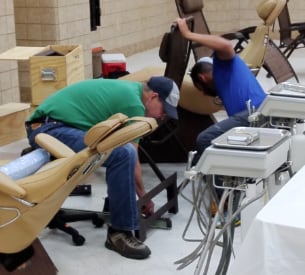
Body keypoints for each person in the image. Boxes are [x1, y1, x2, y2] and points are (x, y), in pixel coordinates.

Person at [25, 76, 180, 260]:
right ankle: (119, 233)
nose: (162, 117)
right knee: (123, 154)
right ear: (153, 97)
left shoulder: (132, 92)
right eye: (164, 110)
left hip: (59, 125)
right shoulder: (134, 104)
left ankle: (121, 220)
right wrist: (143, 197)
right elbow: (132, 156)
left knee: (121, 152)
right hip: (48, 128)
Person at [175, 17, 267, 165]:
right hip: (255, 113)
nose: (204, 94)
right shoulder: (227, 81)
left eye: (200, 89)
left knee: (205, 138)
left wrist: (188, 35)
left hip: (253, 113)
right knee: (222, 140)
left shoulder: (222, 67)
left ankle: (207, 182)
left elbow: (225, 45)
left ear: (202, 78)